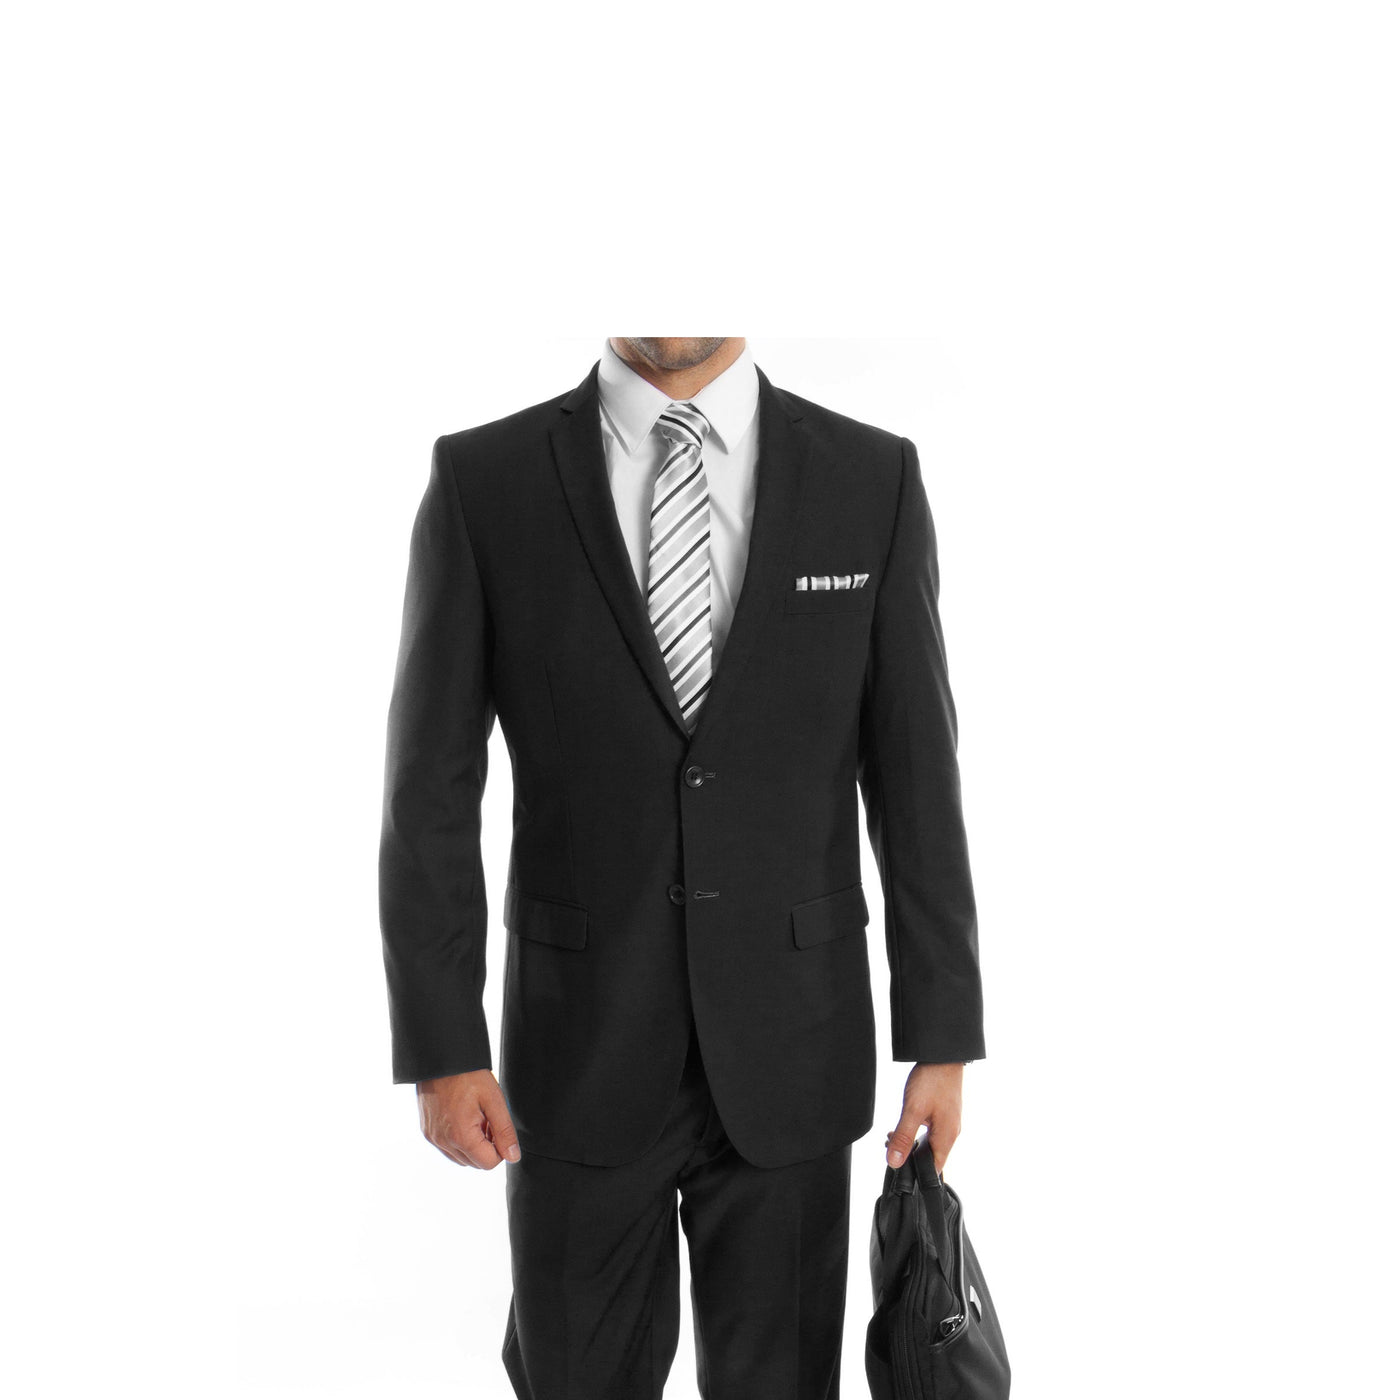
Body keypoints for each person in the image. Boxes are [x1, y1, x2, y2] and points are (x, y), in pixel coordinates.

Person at [378, 337, 986, 1398]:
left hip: (794, 1049)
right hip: (576, 1049)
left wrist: (940, 1035)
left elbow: (916, 778)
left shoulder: (870, 478)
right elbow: (427, 791)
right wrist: (442, 1047)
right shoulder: (484, 481)